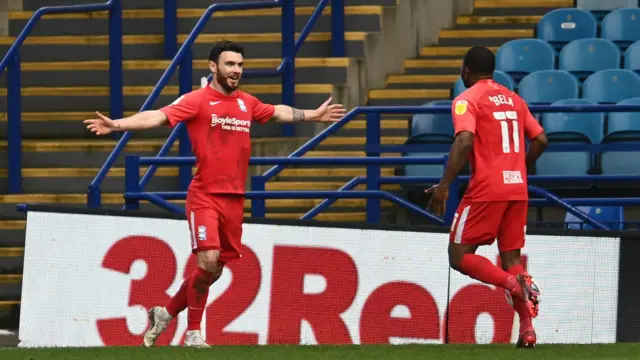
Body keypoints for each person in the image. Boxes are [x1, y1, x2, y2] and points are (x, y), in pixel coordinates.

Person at [84, 40, 346, 347]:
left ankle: (165, 314)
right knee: (208, 261)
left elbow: (278, 112)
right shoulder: (197, 100)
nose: (236, 70)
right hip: (205, 195)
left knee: (215, 270)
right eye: (229, 64)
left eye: (239, 65)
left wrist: (312, 115)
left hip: (234, 198)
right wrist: (116, 124)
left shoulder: (247, 103)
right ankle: (193, 333)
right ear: (213, 67)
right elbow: (157, 116)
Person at [426, 46, 548, 348]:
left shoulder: (466, 100)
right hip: (517, 187)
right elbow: (541, 138)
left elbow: (465, 140)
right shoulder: (514, 99)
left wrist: (444, 185)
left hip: (486, 188)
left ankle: (514, 286)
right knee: (511, 258)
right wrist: (522, 166)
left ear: (466, 71)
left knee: (459, 255)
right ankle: (527, 330)